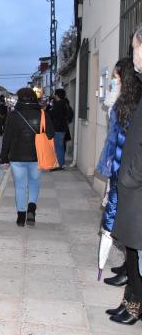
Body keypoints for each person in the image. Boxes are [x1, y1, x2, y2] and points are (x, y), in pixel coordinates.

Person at [96, 58, 142, 290]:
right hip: (119, 168)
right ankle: (127, 270)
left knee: (124, 223)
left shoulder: (132, 103)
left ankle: (132, 281)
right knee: (122, 222)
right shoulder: (122, 102)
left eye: (116, 78)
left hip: (127, 172)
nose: (113, 82)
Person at [110, 25, 142, 324]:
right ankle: (130, 299)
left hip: (133, 180)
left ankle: (134, 304)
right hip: (127, 176)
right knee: (132, 248)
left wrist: (128, 176)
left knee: (136, 248)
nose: (134, 53)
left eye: (135, 47)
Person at [0, 87, 54, 227]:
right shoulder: (42, 114)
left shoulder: (13, 115)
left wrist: (3, 158)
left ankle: (20, 216)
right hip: (37, 156)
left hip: (17, 156)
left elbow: (7, 138)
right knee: (34, 183)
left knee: (20, 186)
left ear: (20, 99)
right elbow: (50, 134)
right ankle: (31, 210)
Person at [48, 88, 71, 170]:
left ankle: (59, 165)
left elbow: (51, 114)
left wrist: (49, 107)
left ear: (57, 95)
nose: (54, 95)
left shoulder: (59, 104)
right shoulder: (65, 103)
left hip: (58, 128)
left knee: (58, 147)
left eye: (55, 94)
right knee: (60, 146)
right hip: (63, 127)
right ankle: (60, 163)